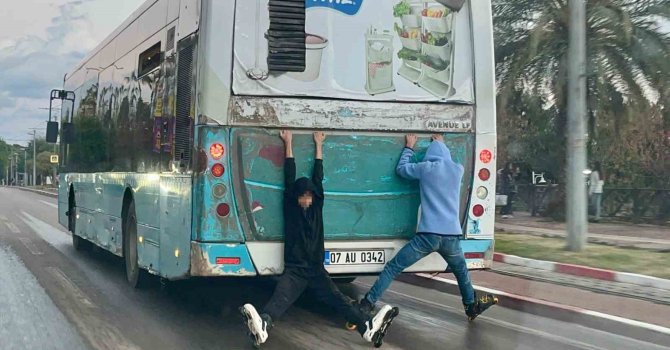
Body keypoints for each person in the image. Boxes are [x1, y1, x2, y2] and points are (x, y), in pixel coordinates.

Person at [240, 130, 399, 348]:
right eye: (302, 196)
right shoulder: (290, 207)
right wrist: (288, 142)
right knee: (280, 300)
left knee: (339, 300)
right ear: (296, 196)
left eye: (309, 196)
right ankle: (263, 326)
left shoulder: (317, 207)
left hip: (315, 270)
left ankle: (367, 329)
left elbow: (318, 177)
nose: (306, 199)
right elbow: (289, 175)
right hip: (295, 270)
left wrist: (319, 145)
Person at [357, 134, 497, 321]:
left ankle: (367, 304)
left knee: (393, 267)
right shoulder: (457, 170)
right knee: (461, 271)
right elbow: (452, 158)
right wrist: (441, 143)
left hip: (427, 236)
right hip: (451, 237)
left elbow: (401, 170)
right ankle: (471, 306)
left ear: (429, 155)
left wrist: (409, 147)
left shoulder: (426, 169)